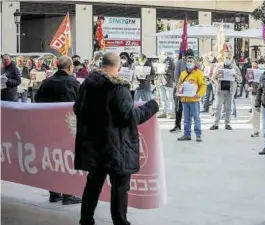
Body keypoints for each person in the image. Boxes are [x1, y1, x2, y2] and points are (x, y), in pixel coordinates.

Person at [73, 52, 159, 225]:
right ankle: (120, 222)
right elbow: (129, 117)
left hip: (94, 146)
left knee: (93, 185)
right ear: (118, 67)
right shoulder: (118, 88)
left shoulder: (87, 84)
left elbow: (78, 109)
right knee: (119, 188)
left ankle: (86, 220)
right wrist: (152, 105)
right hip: (116, 147)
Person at [34, 56, 82, 204]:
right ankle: (68, 195)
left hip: (49, 128)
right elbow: (82, 104)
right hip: (68, 128)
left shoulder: (47, 82)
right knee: (67, 159)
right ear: (70, 68)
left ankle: (54, 193)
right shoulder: (74, 83)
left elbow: (37, 100)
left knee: (52, 159)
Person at [176, 50, 207, 142]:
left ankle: (198, 135)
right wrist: (178, 92)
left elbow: (203, 85)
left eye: (191, 62)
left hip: (194, 99)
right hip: (185, 100)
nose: (189, 63)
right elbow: (179, 85)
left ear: (194, 63)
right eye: (188, 62)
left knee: (196, 117)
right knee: (186, 119)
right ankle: (187, 134)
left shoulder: (198, 73)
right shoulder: (183, 74)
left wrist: (199, 94)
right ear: (185, 63)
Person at [209, 53, 241, 130]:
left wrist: (236, 76)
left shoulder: (235, 68)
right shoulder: (219, 66)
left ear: (232, 59)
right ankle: (216, 124)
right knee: (218, 107)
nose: (227, 59)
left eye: (229, 57)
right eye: (226, 57)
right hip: (220, 90)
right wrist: (217, 83)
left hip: (230, 90)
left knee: (228, 108)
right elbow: (213, 78)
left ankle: (227, 123)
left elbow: (240, 79)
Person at [170, 49, 190, 133]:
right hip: (180, 87)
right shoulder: (179, 62)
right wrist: (180, 84)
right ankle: (177, 125)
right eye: (186, 57)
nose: (188, 59)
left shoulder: (194, 63)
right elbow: (176, 74)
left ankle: (187, 126)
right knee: (178, 107)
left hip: (190, 88)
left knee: (188, 108)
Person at [248, 59, 265, 137]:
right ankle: (256, 131)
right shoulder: (251, 71)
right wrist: (249, 86)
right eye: (260, 64)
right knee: (255, 113)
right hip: (255, 93)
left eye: (262, 64)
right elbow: (248, 82)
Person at [157, 53, 176, 119]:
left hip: (168, 82)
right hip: (160, 82)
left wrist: (166, 69)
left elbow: (174, 71)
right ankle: (163, 112)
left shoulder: (170, 61)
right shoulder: (159, 61)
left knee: (170, 98)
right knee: (162, 98)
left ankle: (172, 113)